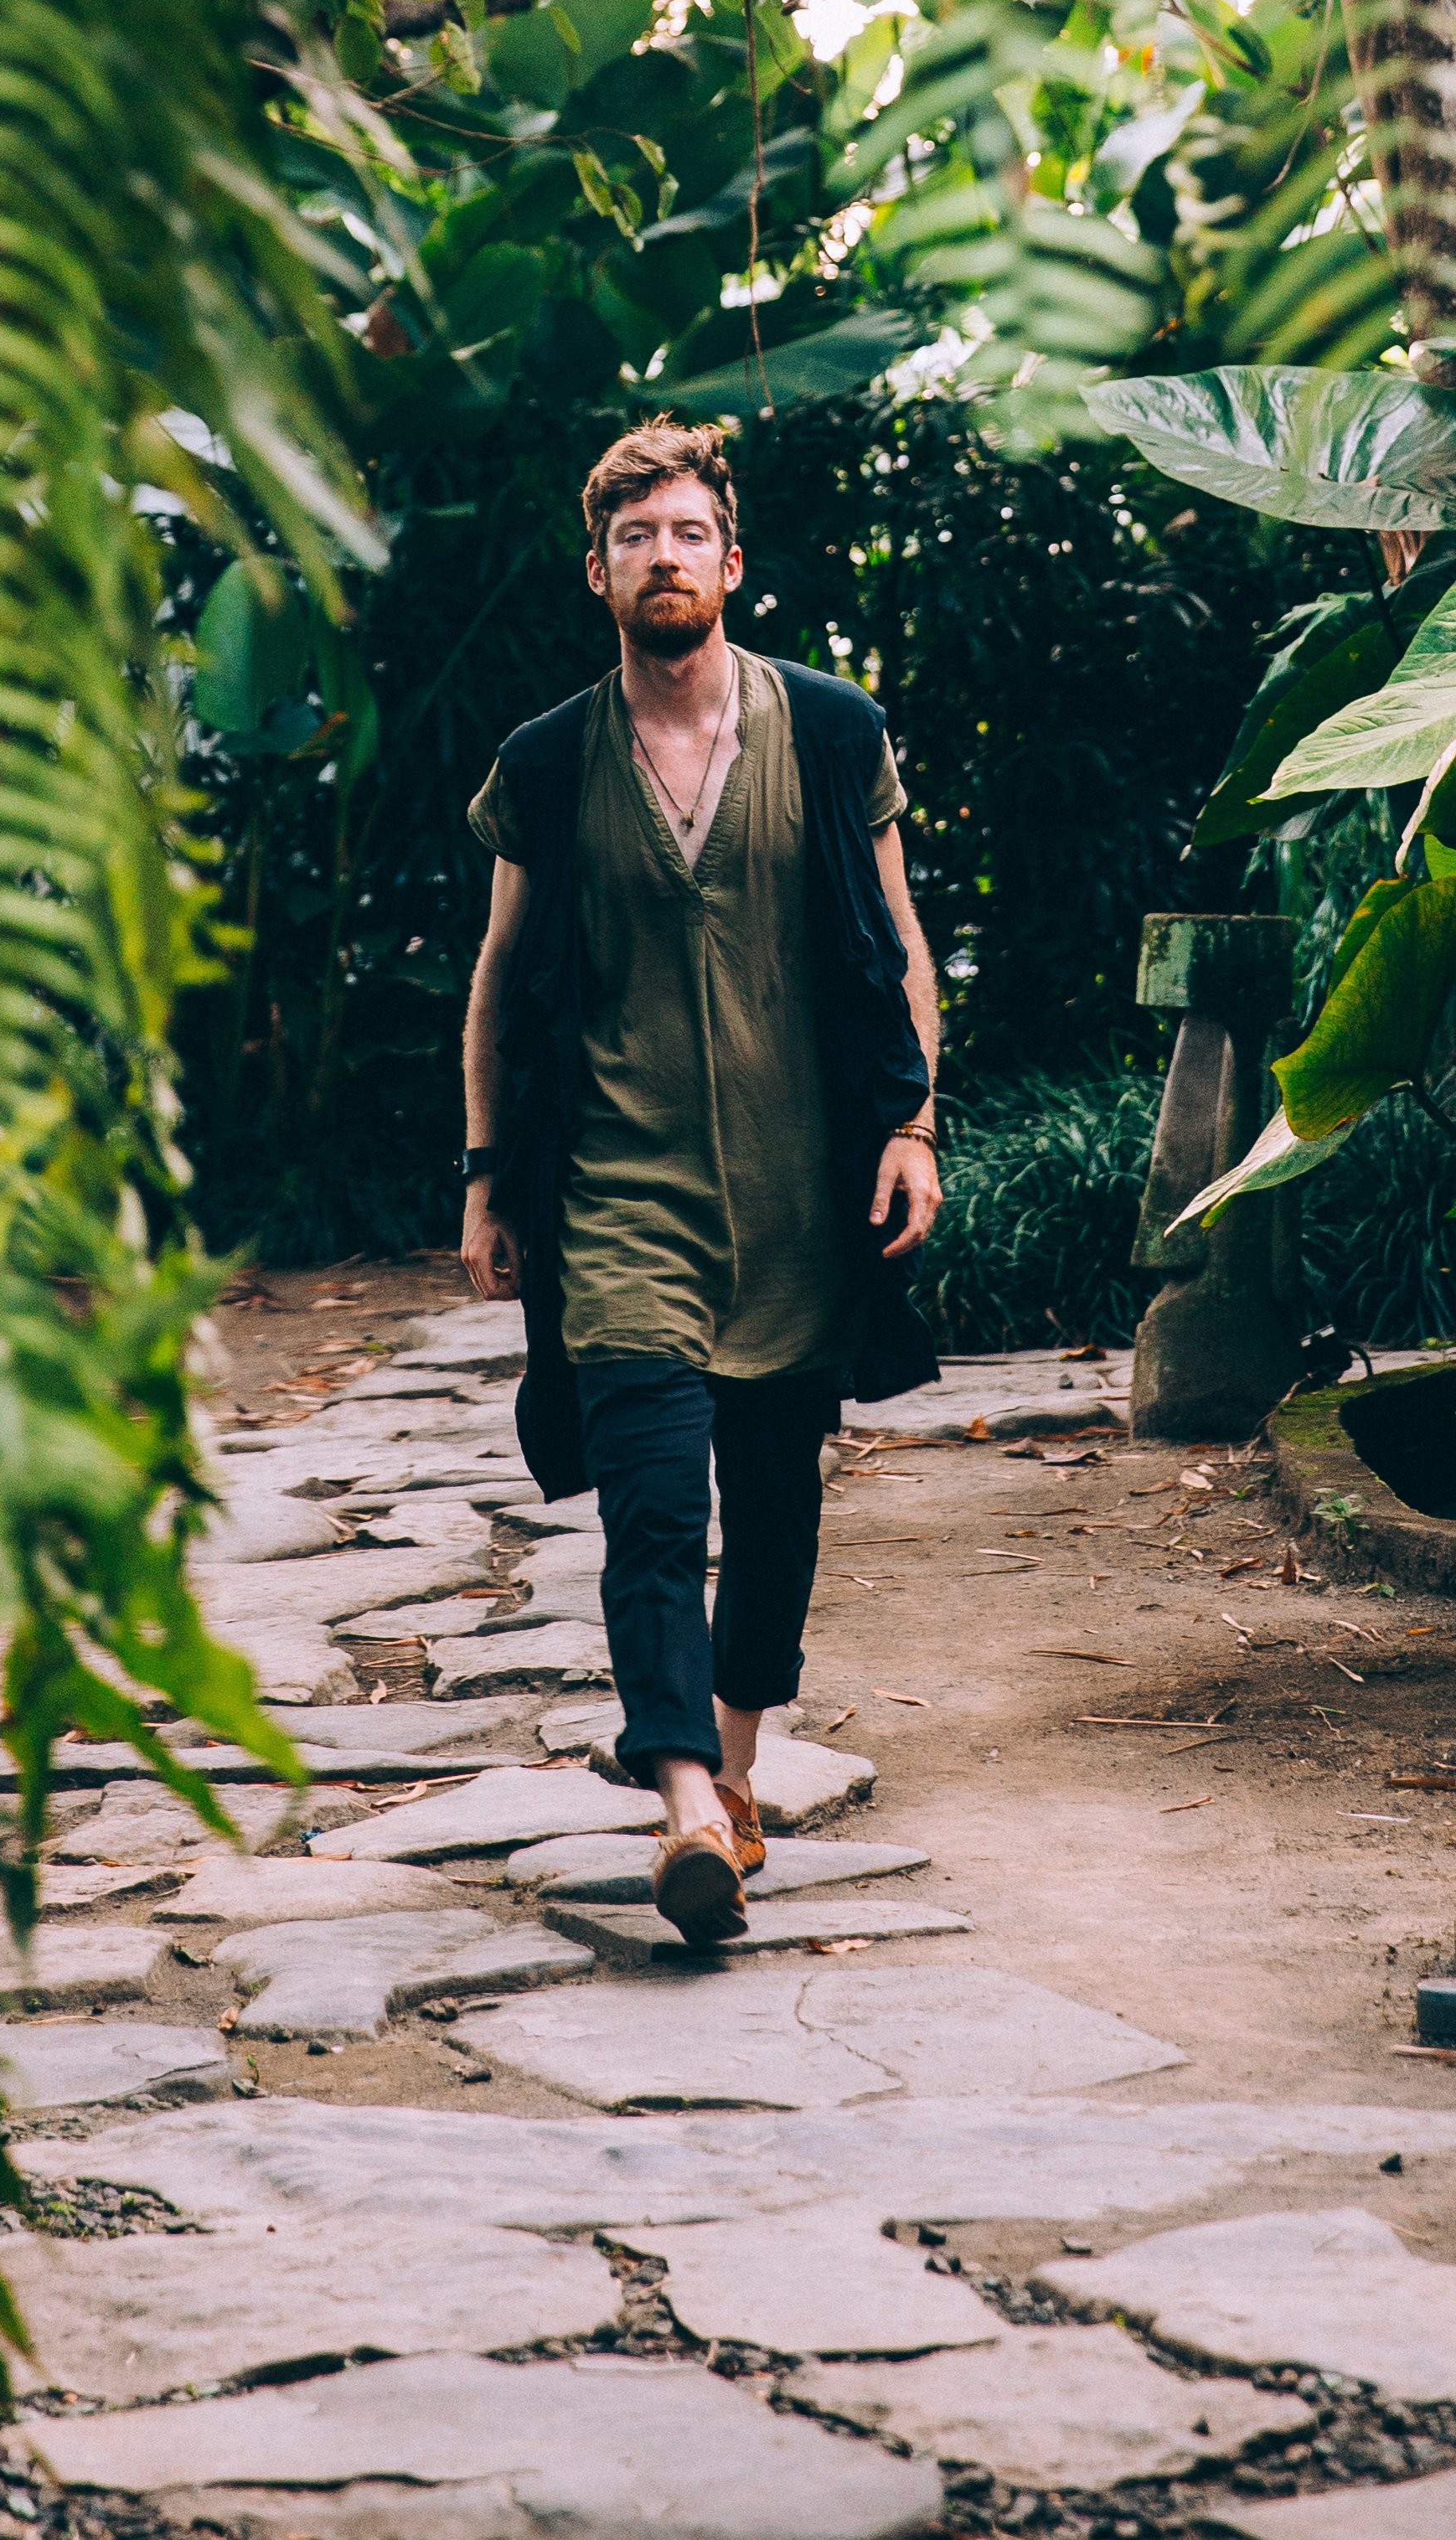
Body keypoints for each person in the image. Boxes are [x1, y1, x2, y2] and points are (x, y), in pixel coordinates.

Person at [459, 421, 942, 1944]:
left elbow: (903, 943)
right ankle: (677, 1802)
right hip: (620, 1201)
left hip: (806, 1200)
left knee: (777, 1513)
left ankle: (732, 1782)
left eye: (685, 533)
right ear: (597, 571)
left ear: (732, 564)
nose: (660, 557)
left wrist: (914, 1126)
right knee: (656, 1509)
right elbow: (496, 986)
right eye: (631, 537)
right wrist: (488, 1175)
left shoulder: (836, 730)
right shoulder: (544, 764)